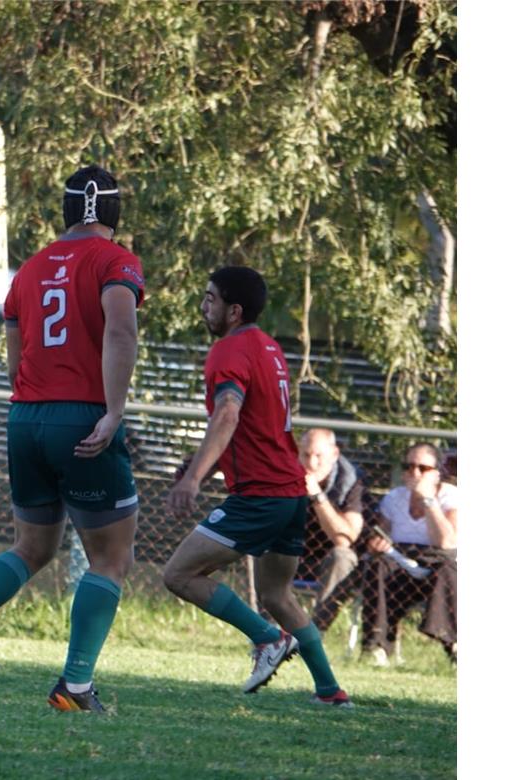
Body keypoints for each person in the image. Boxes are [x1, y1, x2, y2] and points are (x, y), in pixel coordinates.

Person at [0, 165, 143, 711]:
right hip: (82, 416)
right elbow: (120, 330)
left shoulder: (31, 270)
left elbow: (16, 359)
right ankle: (76, 685)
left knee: (33, 546)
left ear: (66, 211)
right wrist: (113, 411)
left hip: (27, 417)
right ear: (114, 212)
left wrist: (39, 402)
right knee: (111, 557)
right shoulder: (117, 261)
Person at [162, 266, 351, 708]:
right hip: (291, 492)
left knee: (179, 575)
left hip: (261, 495)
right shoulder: (269, 347)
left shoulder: (227, 350)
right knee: (276, 594)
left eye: (210, 298)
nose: (203, 306)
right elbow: (251, 423)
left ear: (234, 310)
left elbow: (228, 413)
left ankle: (268, 638)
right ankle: (330, 691)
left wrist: (192, 479)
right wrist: (202, 467)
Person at [359, 442, 458, 665]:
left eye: (423, 468)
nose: (414, 473)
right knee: (377, 565)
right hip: (401, 563)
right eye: (409, 466)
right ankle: (376, 645)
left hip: (438, 564)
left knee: (449, 570)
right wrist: (377, 543)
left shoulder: (451, 497)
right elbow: (381, 534)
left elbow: (446, 542)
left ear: (437, 472)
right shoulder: (394, 498)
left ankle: (453, 643)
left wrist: (428, 500)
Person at [295, 428, 368, 631]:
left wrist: (317, 496)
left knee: (342, 556)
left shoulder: (352, 481)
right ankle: (266, 630)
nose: (311, 463)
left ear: (334, 454)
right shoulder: (284, 473)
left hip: (329, 559)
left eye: (318, 456)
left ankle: (313, 633)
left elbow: (344, 539)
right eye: (305, 455)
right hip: (290, 551)